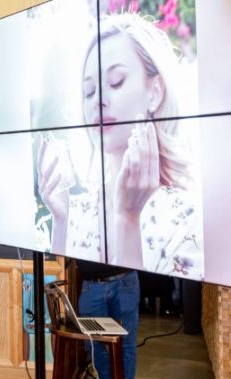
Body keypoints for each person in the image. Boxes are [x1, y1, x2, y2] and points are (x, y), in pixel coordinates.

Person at [39, 13, 203, 279]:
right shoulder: (75, 213)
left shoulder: (189, 219)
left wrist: (128, 218)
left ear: (155, 93)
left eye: (116, 81)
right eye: (89, 91)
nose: (98, 100)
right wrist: (61, 222)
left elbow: (143, 306)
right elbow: (58, 296)